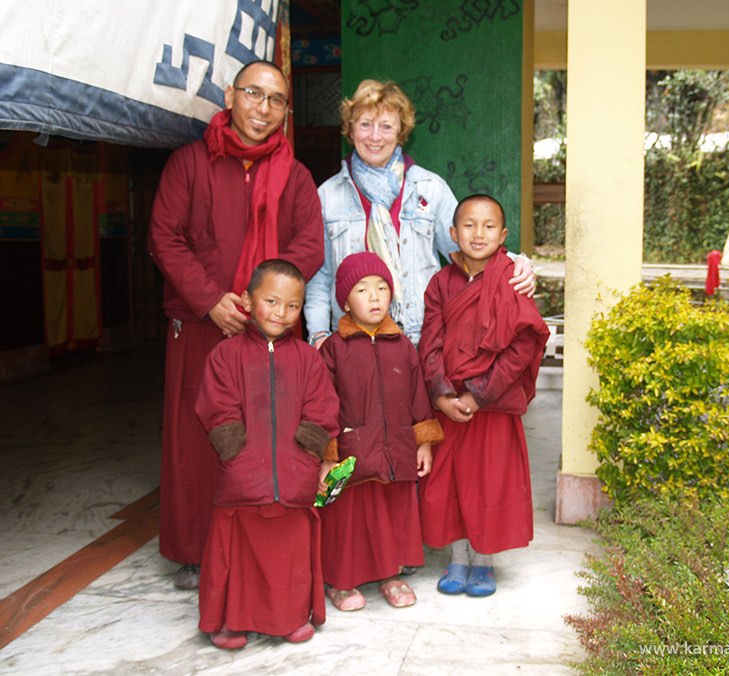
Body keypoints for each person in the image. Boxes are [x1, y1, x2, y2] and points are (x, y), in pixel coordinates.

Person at [148, 60, 325, 589]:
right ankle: (195, 550)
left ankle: (262, 543)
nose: (263, 109)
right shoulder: (189, 163)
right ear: (230, 95)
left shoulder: (295, 176)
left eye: (276, 101)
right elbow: (165, 237)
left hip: (269, 333)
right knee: (197, 435)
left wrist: (265, 304)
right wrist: (209, 300)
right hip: (202, 324)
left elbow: (308, 247)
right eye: (254, 94)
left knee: (265, 436)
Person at [304, 79, 535, 349]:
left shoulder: (429, 188)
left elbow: (469, 248)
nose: (375, 136)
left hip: (421, 341)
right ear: (351, 129)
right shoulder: (328, 195)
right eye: (365, 124)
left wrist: (517, 264)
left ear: (401, 131)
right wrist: (319, 335)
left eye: (386, 126)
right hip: (351, 343)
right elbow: (320, 277)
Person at [193, 259, 340, 649]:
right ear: (246, 299)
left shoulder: (309, 359)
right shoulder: (225, 355)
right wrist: (237, 456)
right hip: (243, 477)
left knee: (288, 558)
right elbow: (216, 408)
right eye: (271, 301)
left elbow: (323, 412)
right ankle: (231, 620)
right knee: (238, 557)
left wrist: (308, 459)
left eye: (293, 306)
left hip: (294, 478)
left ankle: (290, 618)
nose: (281, 313)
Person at [417, 194, 550, 598]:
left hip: (491, 406)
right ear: (453, 233)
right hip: (450, 407)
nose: (479, 233)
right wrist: (441, 395)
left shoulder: (512, 278)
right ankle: (458, 559)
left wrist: (479, 394)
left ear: (503, 234)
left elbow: (524, 344)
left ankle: (485, 562)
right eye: (469, 225)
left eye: (489, 226)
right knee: (454, 482)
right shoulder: (441, 283)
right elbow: (430, 342)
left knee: (490, 485)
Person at [317, 252, 444, 611]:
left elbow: (419, 397)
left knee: (392, 514)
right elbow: (322, 406)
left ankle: (391, 575)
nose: (374, 297)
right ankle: (340, 582)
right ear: (344, 300)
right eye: (362, 289)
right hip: (351, 452)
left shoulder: (403, 346)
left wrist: (424, 443)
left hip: (396, 450)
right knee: (348, 519)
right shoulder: (333, 350)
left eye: (382, 287)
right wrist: (327, 457)